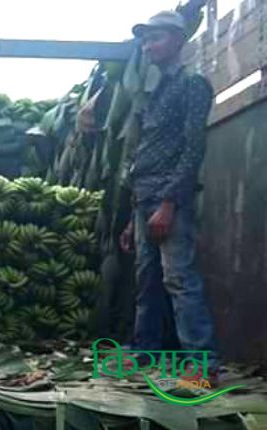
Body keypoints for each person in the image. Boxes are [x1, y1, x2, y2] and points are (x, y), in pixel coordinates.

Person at [85, 10, 221, 379]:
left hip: (168, 199)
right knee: (147, 280)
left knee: (179, 278)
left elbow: (193, 150)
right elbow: (146, 153)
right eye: (145, 40)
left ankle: (201, 364)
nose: (148, 46)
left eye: (156, 38)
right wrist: (133, 217)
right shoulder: (157, 90)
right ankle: (145, 350)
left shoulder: (193, 85)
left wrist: (167, 205)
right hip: (144, 199)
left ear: (178, 40)